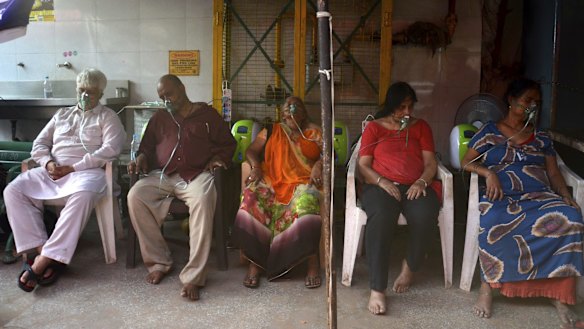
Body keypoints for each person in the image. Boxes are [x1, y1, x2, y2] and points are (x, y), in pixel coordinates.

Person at [462, 78, 584, 328]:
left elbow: (553, 173)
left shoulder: (541, 138)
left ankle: (557, 294)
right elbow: (465, 162)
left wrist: (564, 194)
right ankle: (488, 287)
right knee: (495, 220)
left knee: (571, 218)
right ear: (511, 101)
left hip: (538, 196)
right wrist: (489, 173)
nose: (532, 107)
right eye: (528, 101)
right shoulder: (489, 131)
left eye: (536, 103)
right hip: (502, 196)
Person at [4, 68, 126, 292]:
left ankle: (43, 261)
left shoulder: (107, 117)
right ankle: (44, 249)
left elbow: (111, 150)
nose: (85, 95)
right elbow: (39, 145)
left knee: (83, 194)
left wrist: (74, 167)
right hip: (54, 171)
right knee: (14, 190)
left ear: (100, 93)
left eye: (91, 91)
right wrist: (48, 164)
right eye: (81, 90)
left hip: (87, 173)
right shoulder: (61, 114)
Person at [127, 74, 236, 301]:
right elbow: (145, 148)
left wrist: (217, 159)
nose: (166, 100)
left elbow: (228, 144)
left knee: (204, 198)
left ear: (182, 88)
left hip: (196, 175)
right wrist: (141, 159)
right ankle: (159, 261)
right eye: (161, 97)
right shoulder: (159, 118)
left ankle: (193, 277)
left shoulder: (207, 116)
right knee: (135, 195)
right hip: (163, 176)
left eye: (170, 94)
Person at [357, 81, 441, 315]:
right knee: (382, 218)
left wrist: (422, 182)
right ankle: (377, 288)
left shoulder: (421, 127)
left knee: (426, 214)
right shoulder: (374, 127)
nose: (407, 112)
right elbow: (363, 165)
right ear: (391, 105)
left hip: (415, 185)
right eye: (401, 107)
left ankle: (410, 266)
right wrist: (382, 182)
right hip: (380, 186)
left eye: (410, 107)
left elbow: (430, 163)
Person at [231, 96, 323, 289]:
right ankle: (256, 262)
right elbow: (251, 151)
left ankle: (312, 262)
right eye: (287, 108)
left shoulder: (313, 131)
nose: (290, 110)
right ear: (282, 113)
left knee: (306, 202)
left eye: (295, 106)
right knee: (252, 197)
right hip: (272, 180)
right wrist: (255, 166)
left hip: (302, 181)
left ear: (304, 112)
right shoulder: (272, 129)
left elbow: (328, 155)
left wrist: (319, 166)